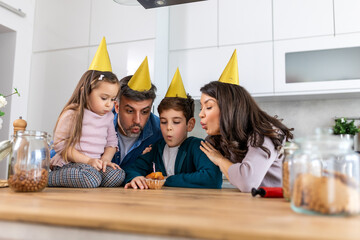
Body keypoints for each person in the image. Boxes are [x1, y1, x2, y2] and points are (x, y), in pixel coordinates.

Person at [199, 50, 293, 192]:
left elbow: (247, 182)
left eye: (209, 106)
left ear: (228, 108)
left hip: (283, 205)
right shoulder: (220, 140)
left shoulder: (264, 132)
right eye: (201, 107)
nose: (201, 114)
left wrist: (219, 159)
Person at [124, 68, 222, 189]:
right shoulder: (155, 148)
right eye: (163, 122)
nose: (168, 128)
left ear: (190, 124)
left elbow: (211, 178)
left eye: (176, 122)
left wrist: (166, 180)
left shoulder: (198, 147)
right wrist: (135, 177)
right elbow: (131, 170)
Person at [48, 37, 125, 188]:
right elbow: (61, 146)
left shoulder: (109, 117)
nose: (109, 104)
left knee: (118, 175)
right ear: (86, 92)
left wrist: (105, 160)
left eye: (113, 99)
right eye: (104, 98)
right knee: (90, 178)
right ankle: (47, 178)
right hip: (70, 163)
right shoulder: (72, 113)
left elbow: (111, 143)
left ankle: (93, 177)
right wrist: (88, 161)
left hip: (92, 166)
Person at [112, 57, 162, 170]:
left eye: (145, 112)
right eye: (130, 111)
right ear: (117, 106)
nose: (137, 120)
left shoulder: (160, 131)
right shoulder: (99, 124)